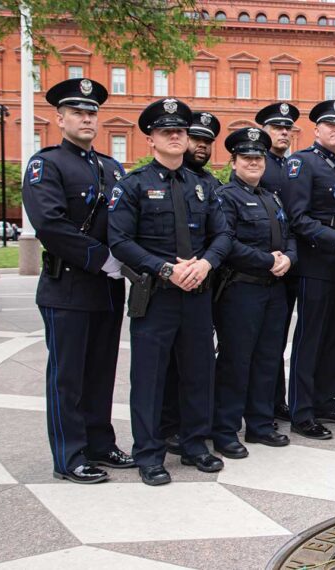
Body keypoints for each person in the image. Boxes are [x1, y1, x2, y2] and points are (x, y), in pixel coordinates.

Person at [107, 97, 233, 486]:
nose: (176, 137)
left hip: (196, 293)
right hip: (156, 295)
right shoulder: (133, 186)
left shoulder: (202, 186)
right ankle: (148, 453)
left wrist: (205, 263)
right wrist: (164, 268)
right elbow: (119, 240)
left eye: (181, 131)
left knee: (198, 373)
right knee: (150, 378)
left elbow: (223, 234)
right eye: (167, 132)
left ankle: (195, 445)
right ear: (152, 140)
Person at [21, 77, 134, 483]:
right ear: (60, 117)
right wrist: (100, 257)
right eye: (78, 112)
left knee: (102, 371)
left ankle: (100, 443)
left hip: (108, 286)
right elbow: (49, 224)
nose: (87, 118)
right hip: (68, 285)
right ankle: (69, 455)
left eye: (92, 112)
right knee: (68, 376)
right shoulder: (46, 164)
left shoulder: (111, 166)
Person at [281, 99, 335, 440]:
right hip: (315, 260)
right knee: (310, 338)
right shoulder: (303, 163)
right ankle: (301, 410)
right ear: (316, 129)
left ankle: (325, 400)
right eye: (330, 124)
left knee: (331, 337)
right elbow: (297, 218)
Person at [211, 127, 296, 459]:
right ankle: (225, 430)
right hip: (240, 289)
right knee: (235, 360)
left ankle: (261, 425)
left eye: (258, 158)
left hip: (273, 289)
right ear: (233, 161)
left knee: (267, 359)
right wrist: (266, 260)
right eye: (246, 158)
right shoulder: (226, 196)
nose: (253, 163)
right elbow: (226, 241)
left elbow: (289, 235)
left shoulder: (270, 197)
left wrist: (288, 258)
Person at [161, 109, 223, 455]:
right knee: (170, 362)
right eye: (196, 138)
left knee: (200, 359)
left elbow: (222, 233)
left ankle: (198, 423)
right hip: (169, 285)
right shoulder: (163, 178)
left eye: (207, 141)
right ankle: (169, 425)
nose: (201, 146)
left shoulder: (211, 185)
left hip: (208, 283)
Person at [256, 101, 301, 424]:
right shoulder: (259, 165)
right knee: (260, 340)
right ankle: (261, 403)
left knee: (277, 336)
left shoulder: (292, 165)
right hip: (265, 262)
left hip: (292, 259)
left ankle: (276, 399)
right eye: (276, 128)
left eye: (287, 128)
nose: (283, 132)